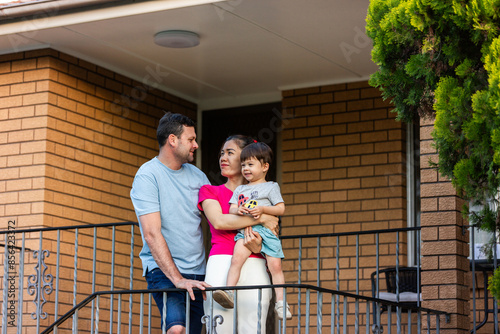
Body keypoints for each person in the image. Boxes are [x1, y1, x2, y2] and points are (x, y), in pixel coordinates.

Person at [130, 112, 210, 334]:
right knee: (176, 329)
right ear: (173, 140)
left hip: (198, 272)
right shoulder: (148, 176)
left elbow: (218, 220)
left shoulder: (199, 177)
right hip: (164, 272)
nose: (195, 145)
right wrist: (178, 279)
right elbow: (151, 234)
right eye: (191, 139)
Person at [197, 135, 280, 334]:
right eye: (221, 153)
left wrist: (260, 241)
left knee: (253, 329)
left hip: (256, 262)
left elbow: (272, 231)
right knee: (219, 328)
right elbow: (220, 221)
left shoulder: (267, 194)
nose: (222, 158)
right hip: (221, 263)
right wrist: (261, 218)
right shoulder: (210, 191)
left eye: (230, 153)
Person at [213, 142, 292, 320]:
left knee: (275, 267)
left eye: (250, 164)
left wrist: (264, 210)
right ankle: (229, 292)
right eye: (243, 165)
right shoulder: (241, 189)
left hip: (267, 231)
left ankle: (280, 302)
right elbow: (232, 209)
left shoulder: (271, 187)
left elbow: (280, 209)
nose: (245, 169)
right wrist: (238, 210)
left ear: (264, 167)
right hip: (246, 230)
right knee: (236, 260)